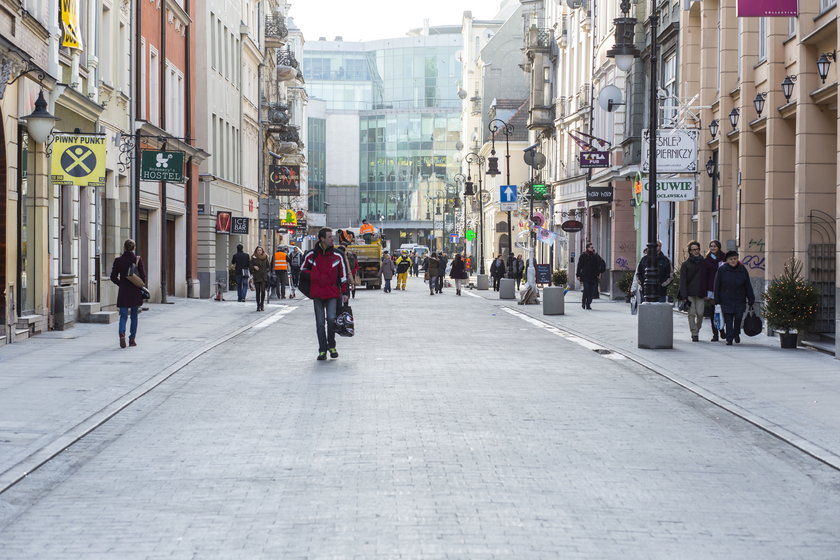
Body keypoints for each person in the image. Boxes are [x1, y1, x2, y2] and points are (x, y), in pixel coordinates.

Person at [300, 228, 350, 360]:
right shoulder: (311, 255)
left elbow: (343, 275)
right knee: (320, 323)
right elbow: (302, 270)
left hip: (333, 294)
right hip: (317, 294)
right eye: (329, 237)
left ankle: (332, 346)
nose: (331, 239)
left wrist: (345, 292)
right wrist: (315, 276)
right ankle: (322, 350)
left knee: (332, 319)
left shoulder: (338, 255)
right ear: (322, 239)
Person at [714, 250, 755, 346]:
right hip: (726, 299)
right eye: (731, 259)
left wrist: (751, 298)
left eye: (735, 258)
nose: (733, 261)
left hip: (740, 298)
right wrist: (717, 299)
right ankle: (729, 338)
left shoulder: (742, 269)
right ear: (727, 260)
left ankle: (736, 333)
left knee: (738, 318)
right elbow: (717, 285)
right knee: (728, 320)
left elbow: (747, 285)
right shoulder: (722, 270)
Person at [110, 239, 145, 348]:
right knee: (134, 316)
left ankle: (121, 334)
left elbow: (113, 277)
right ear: (134, 248)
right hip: (135, 291)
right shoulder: (137, 259)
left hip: (124, 291)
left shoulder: (118, 260)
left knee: (123, 315)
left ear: (124, 248)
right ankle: (132, 340)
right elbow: (143, 277)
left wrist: (121, 284)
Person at [678, 241, 708, 342]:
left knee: (700, 313)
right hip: (689, 292)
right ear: (690, 251)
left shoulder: (704, 263)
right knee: (691, 313)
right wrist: (684, 295)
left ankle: (697, 329)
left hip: (700, 292)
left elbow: (706, 278)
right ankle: (694, 333)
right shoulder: (685, 264)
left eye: (697, 249)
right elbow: (683, 280)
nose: (696, 251)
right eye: (693, 250)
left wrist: (707, 291)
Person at [704, 240, 727, 342]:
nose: (713, 248)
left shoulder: (724, 257)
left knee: (721, 310)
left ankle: (721, 329)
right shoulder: (707, 259)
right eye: (711, 246)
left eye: (715, 246)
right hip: (711, 288)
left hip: (722, 288)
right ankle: (715, 334)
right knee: (713, 312)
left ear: (719, 247)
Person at [576, 243, 606, 310]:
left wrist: (599, 273)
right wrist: (578, 275)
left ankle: (588, 304)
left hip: (593, 276)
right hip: (585, 276)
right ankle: (583, 302)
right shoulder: (583, 256)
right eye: (591, 247)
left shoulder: (595, 256)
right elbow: (579, 266)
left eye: (592, 247)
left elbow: (599, 265)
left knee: (591, 291)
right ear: (587, 248)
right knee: (586, 290)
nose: (592, 249)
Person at [250, 246, 270, 311]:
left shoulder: (265, 257)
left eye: (260, 250)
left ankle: (262, 304)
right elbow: (250, 266)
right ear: (256, 251)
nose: (259, 251)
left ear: (262, 251)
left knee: (263, 291)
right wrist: (254, 267)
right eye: (258, 250)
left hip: (263, 276)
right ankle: (258, 305)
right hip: (257, 276)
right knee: (258, 291)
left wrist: (266, 271)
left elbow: (268, 267)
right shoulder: (253, 257)